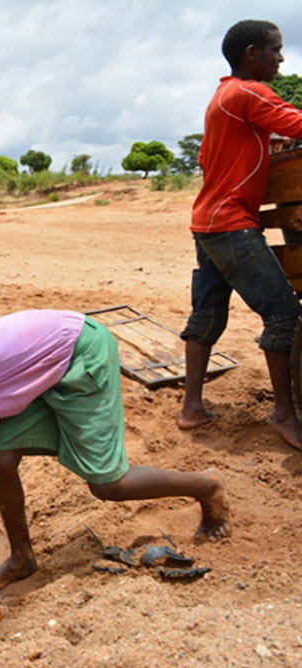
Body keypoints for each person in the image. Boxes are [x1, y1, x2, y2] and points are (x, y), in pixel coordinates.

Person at [0, 310, 231, 595]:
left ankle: (206, 486)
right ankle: (22, 560)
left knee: (108, 484)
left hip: (79, 353)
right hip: (48, 365)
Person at [179, 19, 302, 450]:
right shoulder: (249, 92)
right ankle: (285, 414)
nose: (281, 58)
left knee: (208, 312)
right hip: (233, 224)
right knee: (283, 312)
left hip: (206, 223)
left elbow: (205, 156)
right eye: (276, 49)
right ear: (253, 53)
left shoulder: (221, 97)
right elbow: (298, 124)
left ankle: (191, 408)